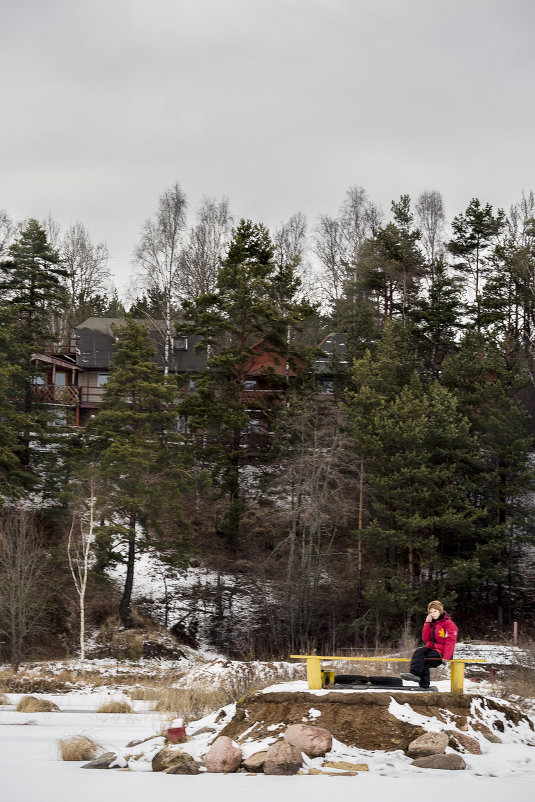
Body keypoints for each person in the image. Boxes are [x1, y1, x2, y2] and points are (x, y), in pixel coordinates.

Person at [401, 600, 458, 689]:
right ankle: (414, 674)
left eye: (435, 611)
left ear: (440, 611)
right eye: (431, 612)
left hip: (442, 652)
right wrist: (427, 624)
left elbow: (450, 642)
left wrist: (446, 657)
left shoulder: (449, 624)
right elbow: (425, 639)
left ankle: (424, 685)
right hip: (432, 648)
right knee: (419, 651)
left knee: (425, 661)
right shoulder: (432, 623)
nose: (433, 614)